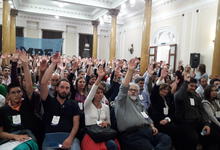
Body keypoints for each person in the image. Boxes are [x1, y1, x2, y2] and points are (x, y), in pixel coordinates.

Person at [114, 58, 171, 150]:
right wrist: (130, 71)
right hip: (132, 135)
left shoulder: (139, 103)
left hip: (147, 131)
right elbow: (123, 88)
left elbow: (146, 116)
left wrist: (152, 125)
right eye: (131, 90)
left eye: (135, 90)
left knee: (166, 139)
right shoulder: (121, 101)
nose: (133, 92)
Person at [0, 51, 40, 149]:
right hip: (10, 139)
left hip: (27, 137)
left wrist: (25, 65)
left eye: (19, 92)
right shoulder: (3, 110)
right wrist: (15, 136)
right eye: (13, 93)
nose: (17, 95)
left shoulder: (26, 104)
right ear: (8, 96)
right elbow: (0, 133)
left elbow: (30, 88)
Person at [40, 53, 81, 150]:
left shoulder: (73, 104)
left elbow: (76, 124)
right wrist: (53, 64)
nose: (64, 90)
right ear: (57, 89)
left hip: (69, 137)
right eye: (62, 87)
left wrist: (70, 139)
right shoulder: (48, 101)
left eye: (67, 88)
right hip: (50, 138)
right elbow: (43, 83)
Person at [81, 65, 120, 150]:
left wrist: (106, 123)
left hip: (103, 132)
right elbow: (92, 91)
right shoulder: (87, 104)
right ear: (93, 95)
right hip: (91, 134)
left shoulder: (106, 107)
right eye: (97, 93)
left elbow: (109, 122)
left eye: (101, 93)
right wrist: (99, 78)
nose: (100, 94)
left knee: (112, 145)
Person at [174, 75, 215, 150]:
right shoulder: (180, 94)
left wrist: (206, 123)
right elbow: (179, 97)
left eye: (195, 86)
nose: (193, 88)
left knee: (211, 132)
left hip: (197, 122)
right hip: (184, 123)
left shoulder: (196, 95)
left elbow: (202, 110)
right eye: (191, 86)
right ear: (186, 85)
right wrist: (185, 82)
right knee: (193, 138)